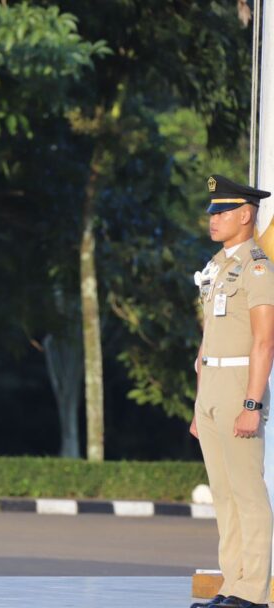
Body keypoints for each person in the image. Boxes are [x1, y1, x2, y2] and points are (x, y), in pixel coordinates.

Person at [189, 174, 274, 608]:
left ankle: (253, 590)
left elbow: (264, 341)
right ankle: (231, 585)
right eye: (212, 213)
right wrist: (200, 402)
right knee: (223, 494)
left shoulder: (258, 267)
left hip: (242, 383)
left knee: (247, 493)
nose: (214, 220)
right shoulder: (218, 266)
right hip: (213, 389)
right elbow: (209, 338)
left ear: (246, 214)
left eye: (223, 212)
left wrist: (251, 404)